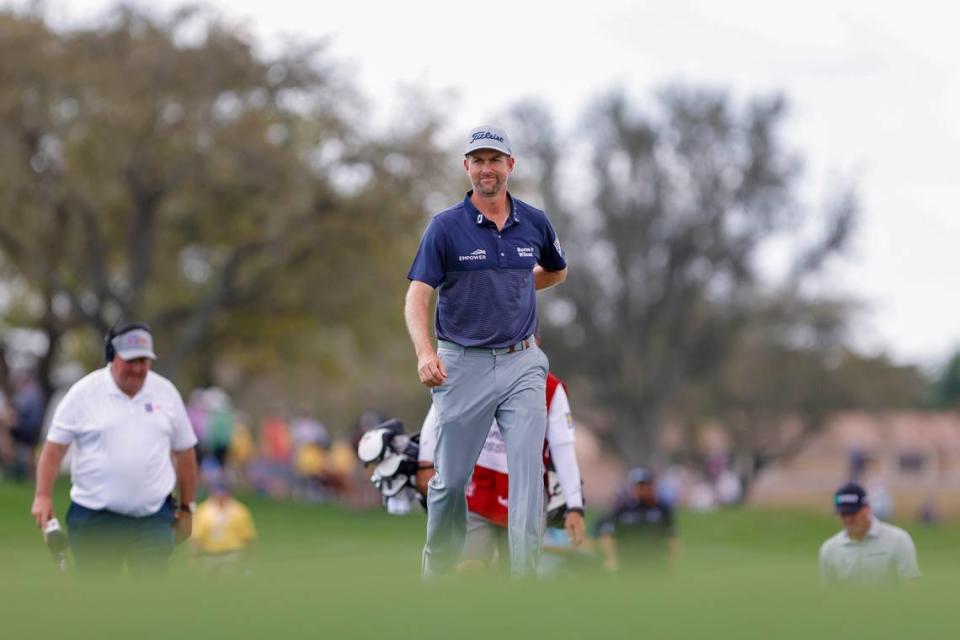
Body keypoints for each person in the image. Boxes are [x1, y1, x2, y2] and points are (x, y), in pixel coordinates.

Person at [405, 125, 567, 577]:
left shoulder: (534, 222)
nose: (486, 168)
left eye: (495, 160)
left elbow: (556, 272)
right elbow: (418, 295)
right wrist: (424, 353)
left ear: (510, 166)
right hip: (461, 363)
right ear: (467, 167)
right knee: (449, 482)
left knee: (527, 475)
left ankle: (524, 585)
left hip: (522, 362)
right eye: (477, 160)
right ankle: (437, 572)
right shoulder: (445, 228)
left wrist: (517, 285)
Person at [30, 323, 198, 576]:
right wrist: (42, 495)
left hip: (152, 518)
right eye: (131, 361)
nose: (139, 368)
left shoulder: (165, 393)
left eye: (144, 361)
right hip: (95, 518)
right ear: (111, 357)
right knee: (98, 600)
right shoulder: (84, 394)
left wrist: (187, 508)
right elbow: (54, 450)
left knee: (150, 598)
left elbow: (185, 452)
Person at [416, 370, 585, 572]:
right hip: (476, 491)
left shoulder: (551, 388)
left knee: (518, 575)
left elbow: (563, 447)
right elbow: (440, 410)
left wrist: (575, 507)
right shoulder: (474, 369)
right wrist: (425, 462)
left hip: (526, 497)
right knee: (469, 567)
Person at [819, 482, 921, 586]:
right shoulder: (830, 549)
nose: (848, 519)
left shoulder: (898, 540)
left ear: (867, 509)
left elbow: (911, 586)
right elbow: (829, 594)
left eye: (852, 513)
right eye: (843, 514)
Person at [594, 468, 679, 573]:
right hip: (627, 562)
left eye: (644, 485)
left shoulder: (661, 507)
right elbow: (608, 535)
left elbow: (671, 536)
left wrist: (672, 561)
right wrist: (612, 559)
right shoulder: (621, 507)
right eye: (638, 485)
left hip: (656, 562)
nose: (641, 489)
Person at [190, 480, 257, 576]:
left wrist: (250, 559)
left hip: (232, 554)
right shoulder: (203, 511)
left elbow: (248, 537)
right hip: (209, 555)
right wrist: (193, 557)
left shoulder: (239, 510)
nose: (220, 496)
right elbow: (197, 537)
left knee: (228, 577)